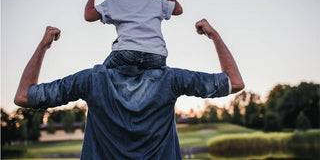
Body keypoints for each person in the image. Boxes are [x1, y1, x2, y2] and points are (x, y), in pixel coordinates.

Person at [14, 19, 244, 159]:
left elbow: (24, 96)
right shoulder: (171, 79)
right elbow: (234, 82)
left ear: (115, 49)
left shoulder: (91, 79)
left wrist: (44, 46)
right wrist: (214, 35)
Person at [84, 0, 183, 69]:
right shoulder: (156, 1)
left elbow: (88, 16)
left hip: (127, 53)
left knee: (102, 73)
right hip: (157, 56)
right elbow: (178, 9)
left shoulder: (113, 2)